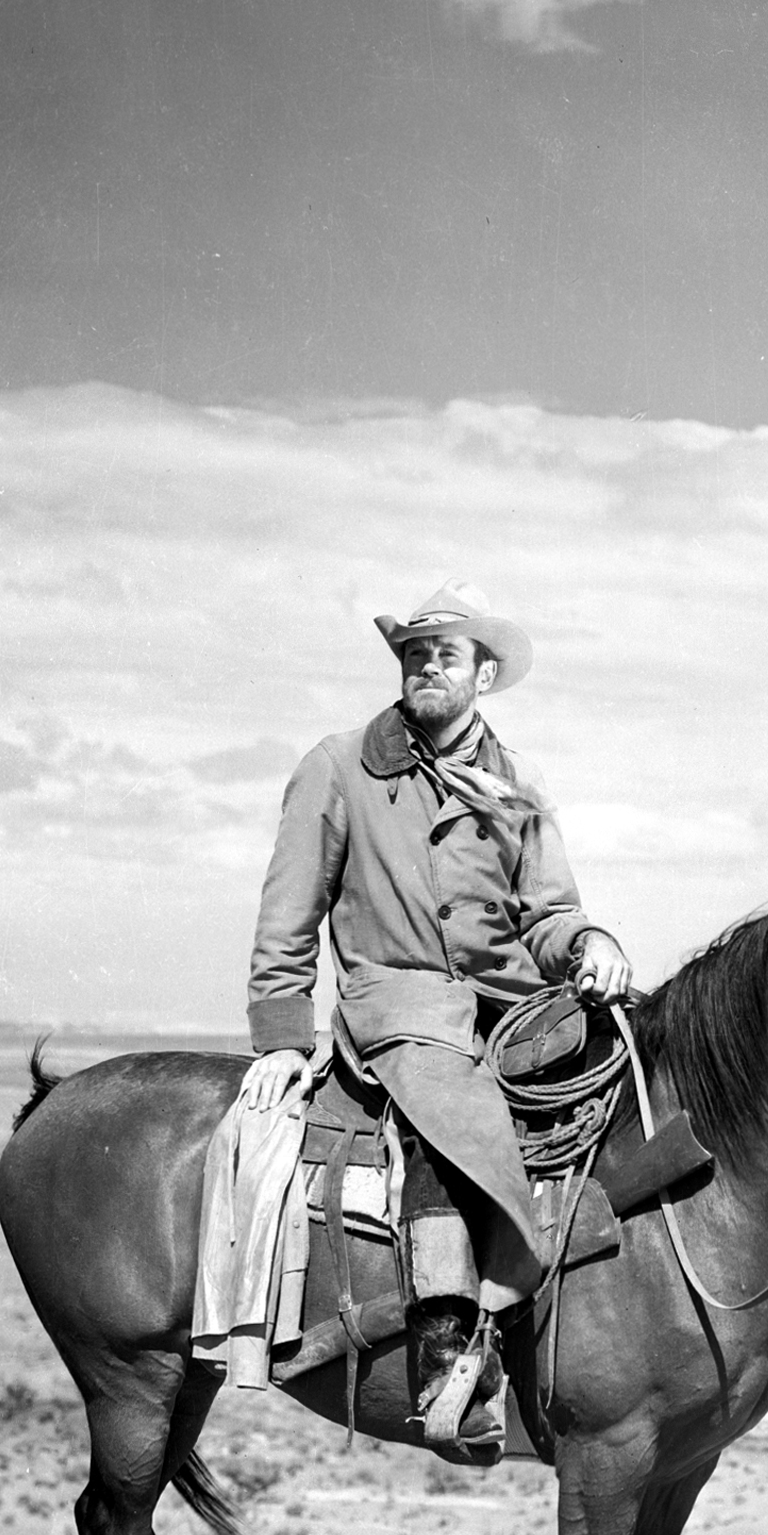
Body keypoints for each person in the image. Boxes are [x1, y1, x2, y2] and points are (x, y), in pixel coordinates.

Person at [241, 582, 632, 1452]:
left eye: (445, 655)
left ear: (482, 676)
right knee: (449, 1114)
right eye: (414, 655)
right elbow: (288, 908)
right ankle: (446, 1358)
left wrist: (591, 944)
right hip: (401, 1000)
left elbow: (548, 912)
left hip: (513, 1002)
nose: (426, 667)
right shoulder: (339, 766)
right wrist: (279, 1034)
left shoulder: (517, 782)